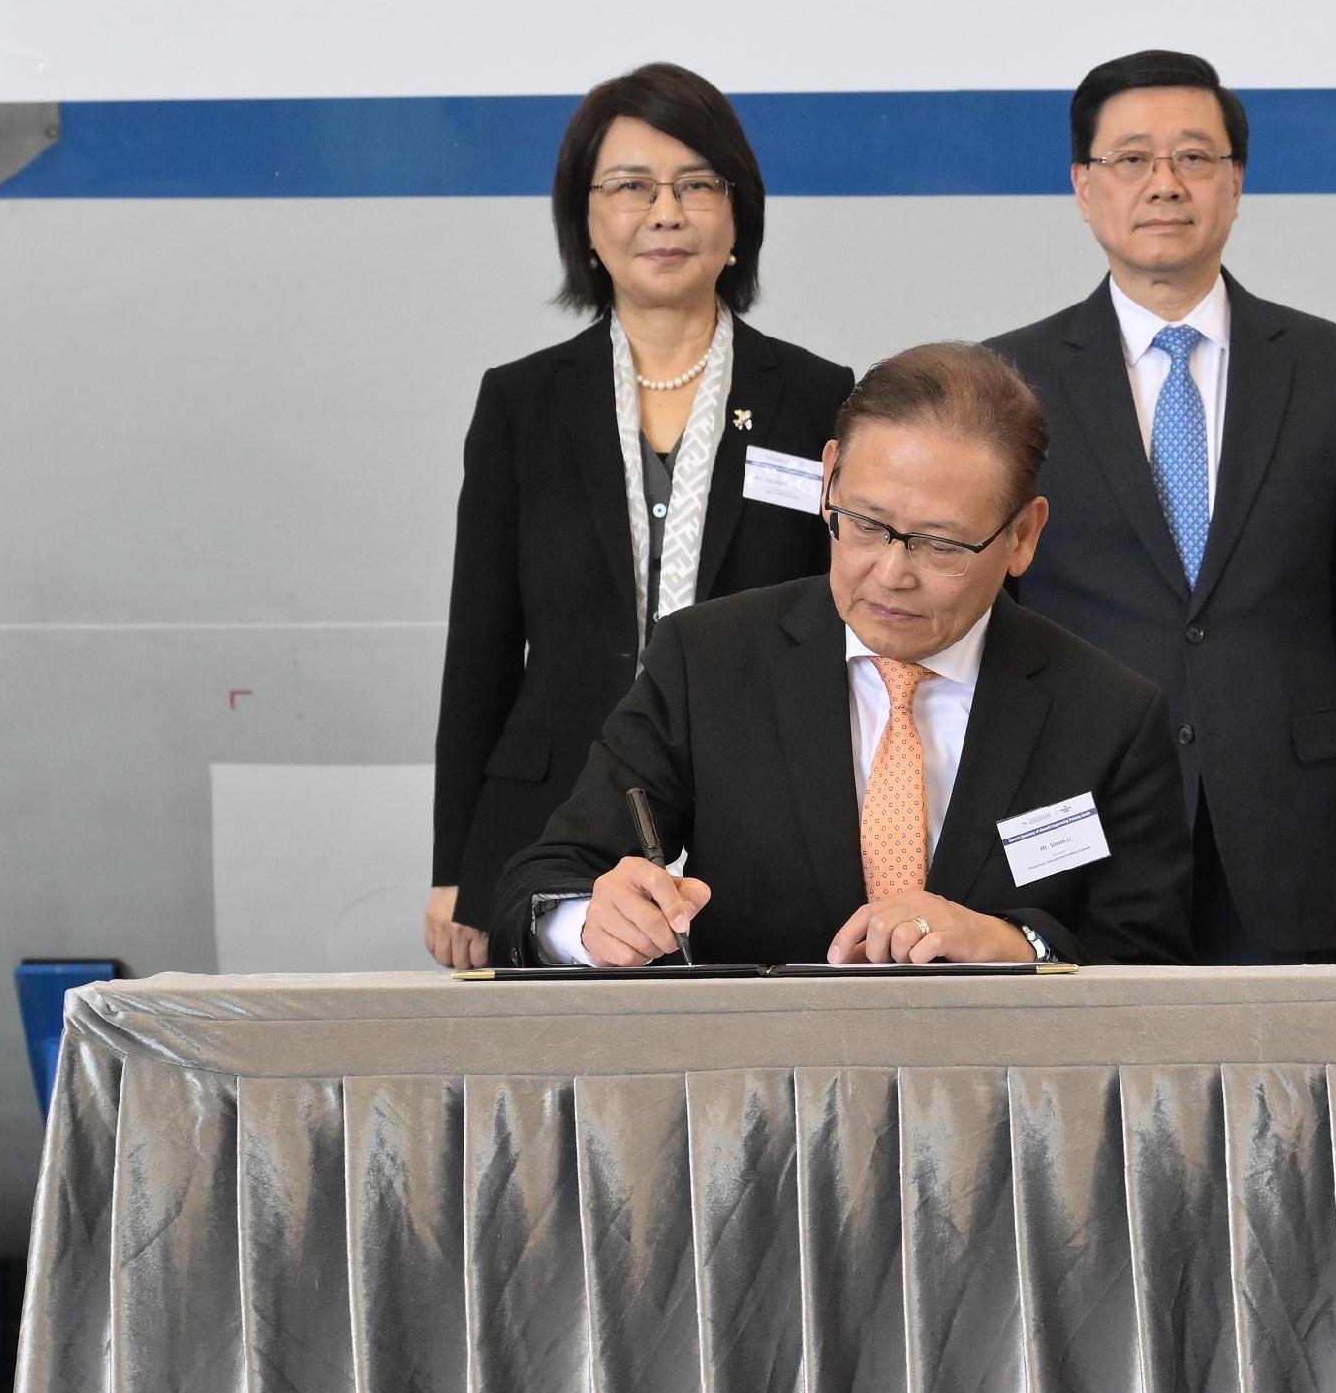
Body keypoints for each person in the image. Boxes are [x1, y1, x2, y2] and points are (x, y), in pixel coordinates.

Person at [497, 344, 1190, 967]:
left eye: (941, 544)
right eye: (864, 524)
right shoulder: (707, 662)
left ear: (1023, 536)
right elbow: (541, 883)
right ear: (829, 478)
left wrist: (1019, 945)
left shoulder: (1108, 715)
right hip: (759, 1089)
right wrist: (589, 922)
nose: (891, 573)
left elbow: (1148, 955)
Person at [986, 49, 1336, 964]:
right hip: (1078, 830)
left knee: (1295, 1098)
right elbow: (984, 623)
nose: (1165, 183)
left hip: (1296, 831)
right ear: (1083, 187)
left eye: (1194, 158)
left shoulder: (1331, 368)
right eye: (1131, 160)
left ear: (1235, 184)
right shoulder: (1011, 381)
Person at [425, 65, 854, 967]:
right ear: (586, 219)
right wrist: (456, 866)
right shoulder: (523, 404)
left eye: (697, 184)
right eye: (630, 185)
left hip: (756, 811)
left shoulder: (816, 396)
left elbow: (838, 627)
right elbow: (481, 654)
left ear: (739, 217)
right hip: (548, 822)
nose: (665, 212)